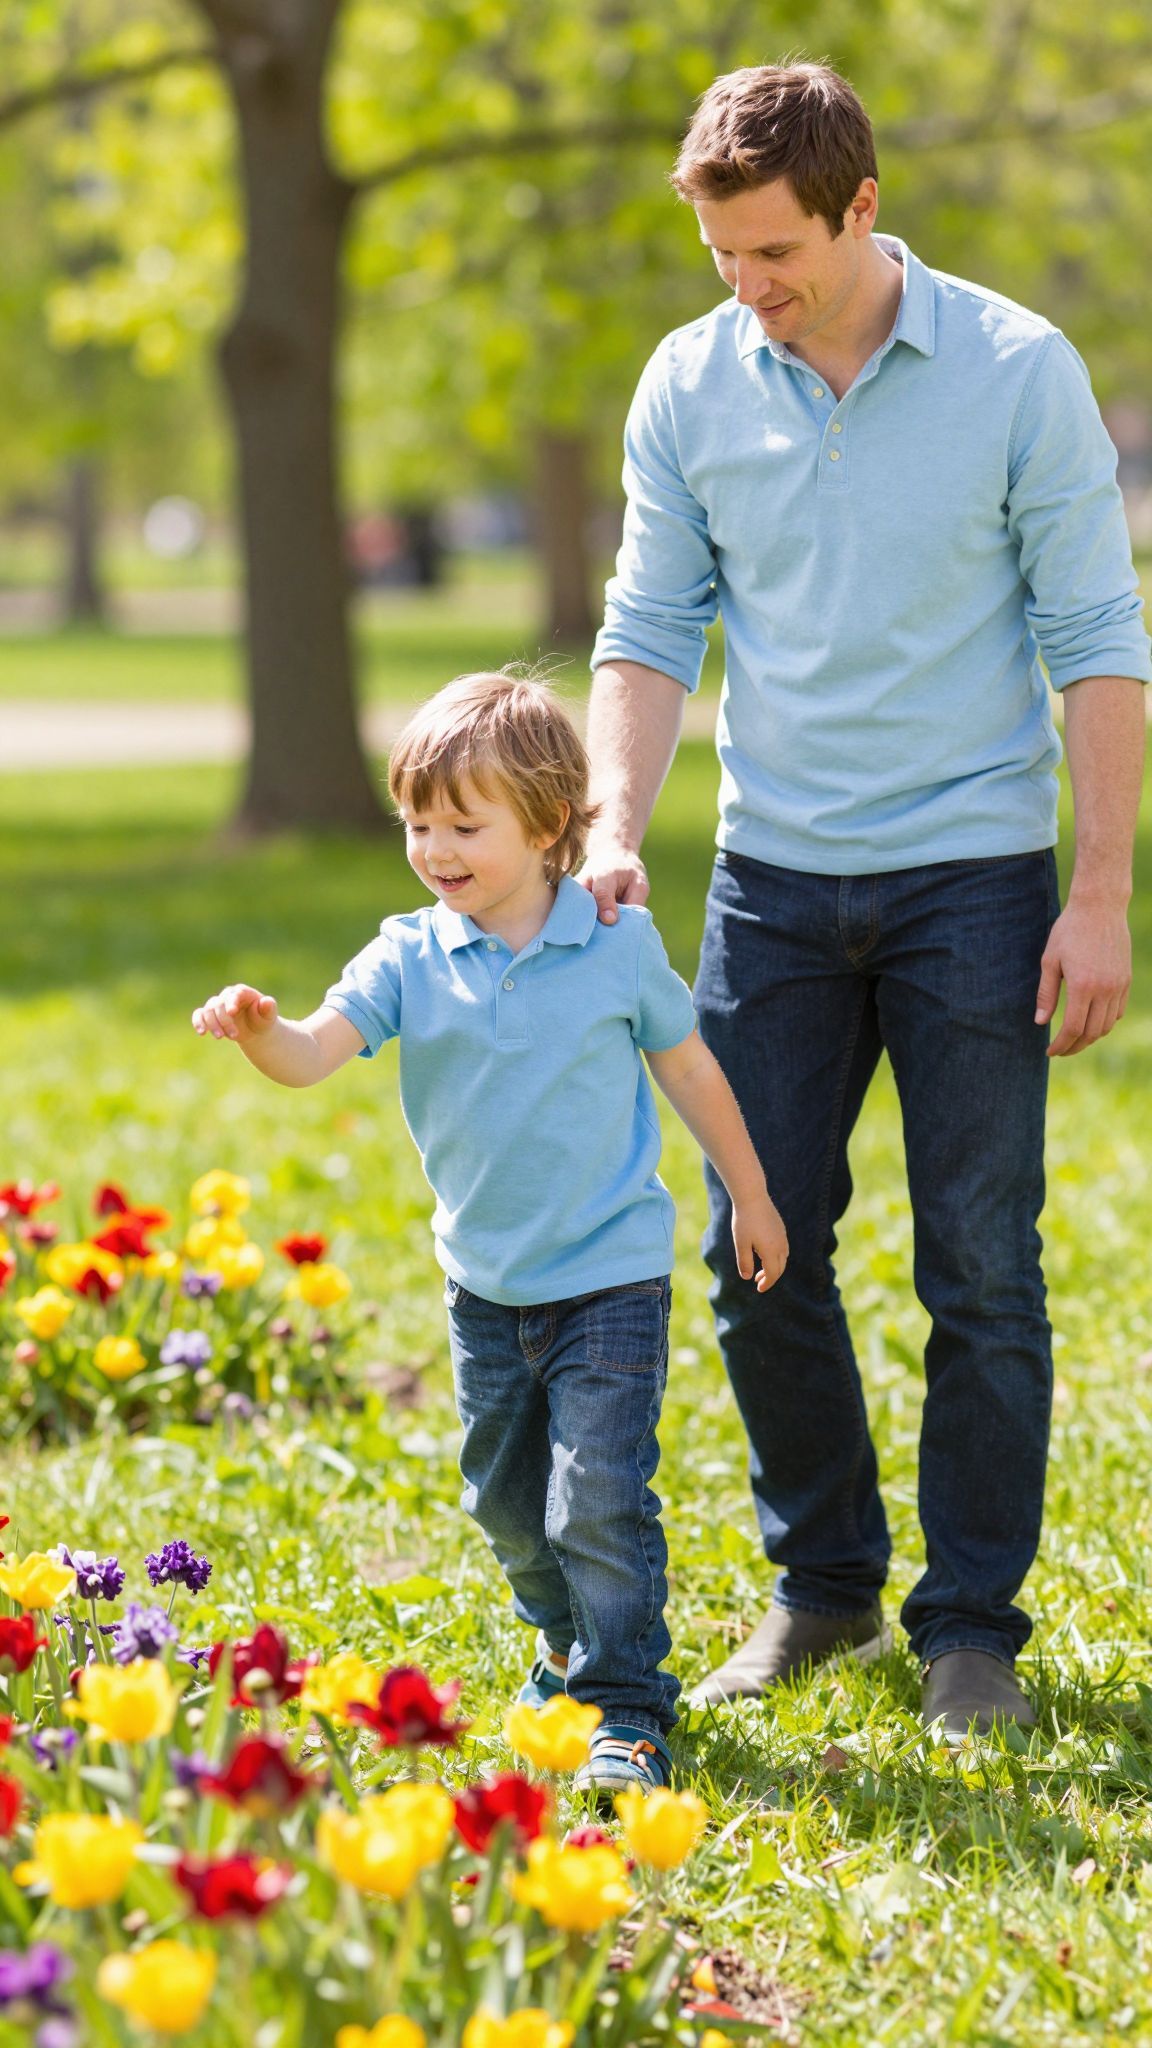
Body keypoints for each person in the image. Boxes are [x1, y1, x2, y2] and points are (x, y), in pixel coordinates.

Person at [582, 62, 1150, 1740]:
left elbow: (1096, 642)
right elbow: (649, 622)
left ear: (859, 209)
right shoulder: (689, 384)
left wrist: (1100, 891)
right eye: (720, 256)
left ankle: (969, 1623)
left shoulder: (1013, 369)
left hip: (974, 873)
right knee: (754, 1241)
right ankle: (823, 1584)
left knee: (980, 1261)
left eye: (775, 254)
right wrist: (616, 821)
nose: (747, 288)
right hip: (770, 875)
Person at [192, 670, 788, 1790]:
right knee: (507, 1503)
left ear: (551, 822)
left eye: (465, 824)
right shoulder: (408, 955)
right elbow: (316, 1052)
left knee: (597, 1495)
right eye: (420, 823)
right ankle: (559, 1633)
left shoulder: (616, 946)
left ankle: (625, 1701)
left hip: (609, 1278)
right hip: (485, 1287)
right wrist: (259, 1028)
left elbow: (691, 1067)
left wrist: (749, 1192)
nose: (435, 847)